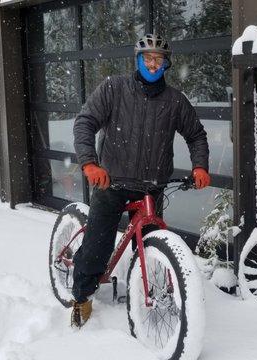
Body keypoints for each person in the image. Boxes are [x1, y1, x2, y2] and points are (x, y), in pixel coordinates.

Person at [70, 32, 210, 327]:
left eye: (159, 59)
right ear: (137, 59)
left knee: (150, 243)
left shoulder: (174, 101)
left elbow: (196, 135)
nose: (153, 63)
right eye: (147, 58)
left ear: (166, 64)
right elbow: (85, 122)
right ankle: (81, 296)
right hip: (111, 183)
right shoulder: (114, 88)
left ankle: (146, 291)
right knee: (98, 247)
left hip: (151, 189)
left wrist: (200, 166)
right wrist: (90, 164)